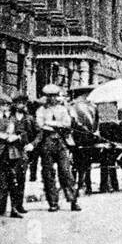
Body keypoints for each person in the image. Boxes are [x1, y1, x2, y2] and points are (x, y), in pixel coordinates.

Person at [36, 83, 82, 212]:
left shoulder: (62, 109)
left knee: (66, 172)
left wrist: (51, 123)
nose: (51, 99)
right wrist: (57, 125)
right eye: (49, 96)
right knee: (48, 173)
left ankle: (73, 200)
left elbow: (67, 124)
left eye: (54, 96)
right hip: (46, 142)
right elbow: (40, 125)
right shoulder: (41, 110)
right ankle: (53, 202)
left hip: (61, 142)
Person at [0, 95, 36, 218]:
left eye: (8, 105)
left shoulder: (13, 119)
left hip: (13, 152)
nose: (6, 108)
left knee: (13, 182)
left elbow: (23, 134)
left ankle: (14, 208)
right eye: (3, 105)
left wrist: (17, 137)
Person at [69, 83, 99, 195]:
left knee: (77, 163)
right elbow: (96, 124)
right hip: (88, 137)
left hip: (75, 137)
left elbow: (71, 122)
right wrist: (93, 132)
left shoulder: (72, 106)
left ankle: (77, 185)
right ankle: (86, 185)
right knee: (86, 163)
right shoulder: (92, 107)